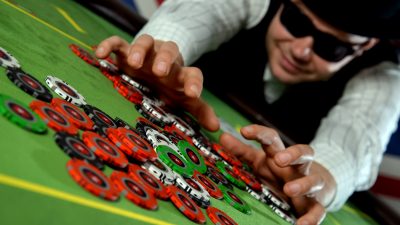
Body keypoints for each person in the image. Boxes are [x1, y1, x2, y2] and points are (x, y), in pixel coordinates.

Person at [95, 0, 400, 224]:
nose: (301, 50)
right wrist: (162, 56)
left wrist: (317, 180)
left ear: (365, 47)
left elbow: (354, 140)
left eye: (330, 47)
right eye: (296, 21)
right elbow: (197, 14)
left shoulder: (382, 77)